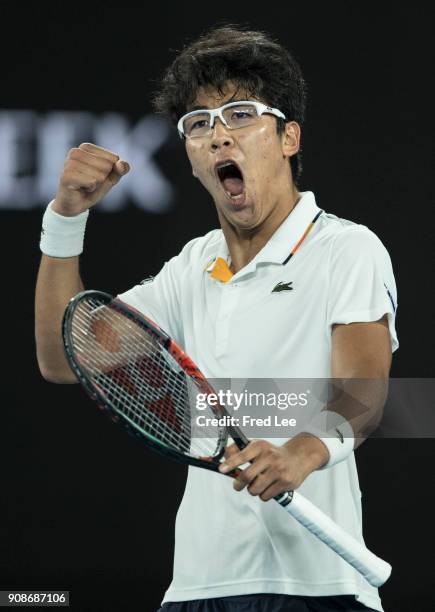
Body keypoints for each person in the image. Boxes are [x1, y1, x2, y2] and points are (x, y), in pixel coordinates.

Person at [35, 25, 398, 612]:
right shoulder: (192, 266)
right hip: (198, 588)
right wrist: (65, 219)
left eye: (241, 115)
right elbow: (63, 357)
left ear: (289, 138)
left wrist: (299, 454)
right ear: (191, 156)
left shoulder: (346, 248)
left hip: (318, 589)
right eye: (199, 124)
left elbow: (365, 390)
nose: (218, 135)